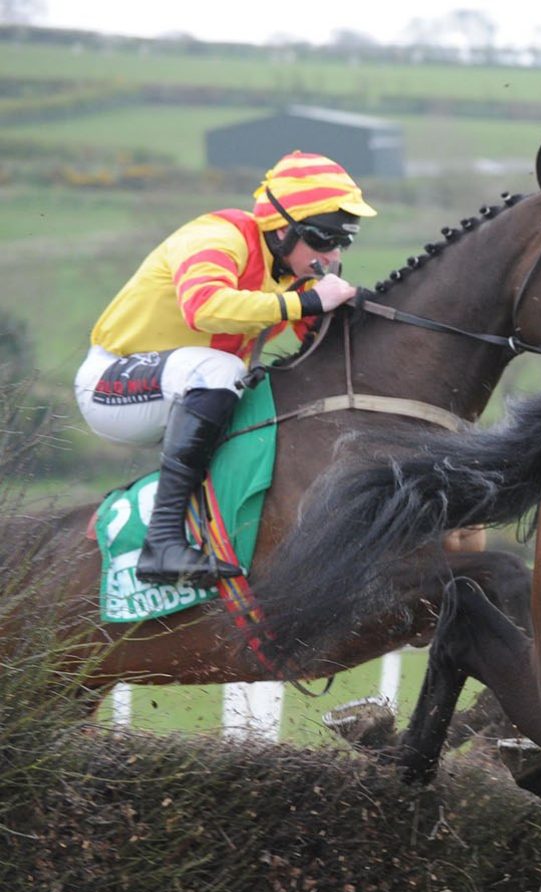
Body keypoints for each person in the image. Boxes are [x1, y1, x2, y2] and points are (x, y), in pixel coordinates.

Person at [74, 150, 374, 586]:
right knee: (221, 370)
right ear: (285, 229)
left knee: (268, 390)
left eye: (343, 243)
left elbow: (327, 341)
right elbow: (204, 307)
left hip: (178, 386)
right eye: (324, 241)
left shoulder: (290, 272)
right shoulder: (218, 235)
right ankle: (162, 544)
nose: (331, 256)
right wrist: (307, 300)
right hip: (111, 384)